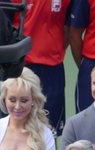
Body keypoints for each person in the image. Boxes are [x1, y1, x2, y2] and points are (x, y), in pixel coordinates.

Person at [23, 0, 74, 134]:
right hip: (21, 69)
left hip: (52, 69)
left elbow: (68, 29)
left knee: (50, 132)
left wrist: (53, 50)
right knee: (16, 130)